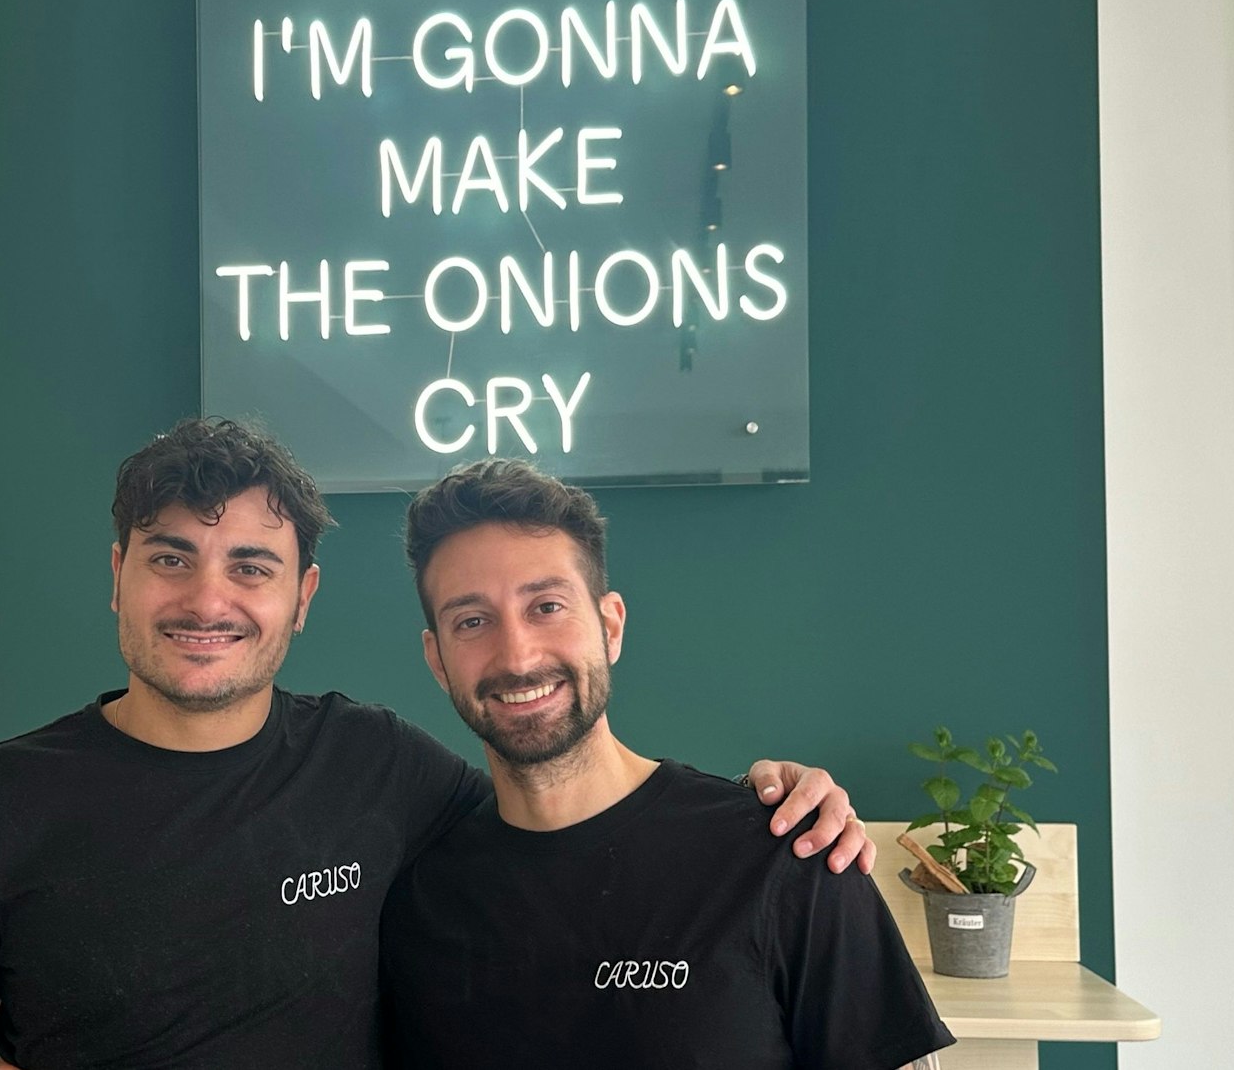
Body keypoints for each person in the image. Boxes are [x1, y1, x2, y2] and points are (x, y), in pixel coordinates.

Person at [0, 418, 875, 1070]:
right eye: (171, 557)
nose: (208, 598)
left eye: (252, 566)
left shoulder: (378, 766)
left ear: (301, 598)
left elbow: (567, 813)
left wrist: (771, 804)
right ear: (118, 573)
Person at [380, 458, 956, 1069]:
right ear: (439, 662)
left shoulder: (790, 851)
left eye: (546, 606)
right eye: (472, 621)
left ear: (610, 627)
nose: (517, 655)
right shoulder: (420, 901)